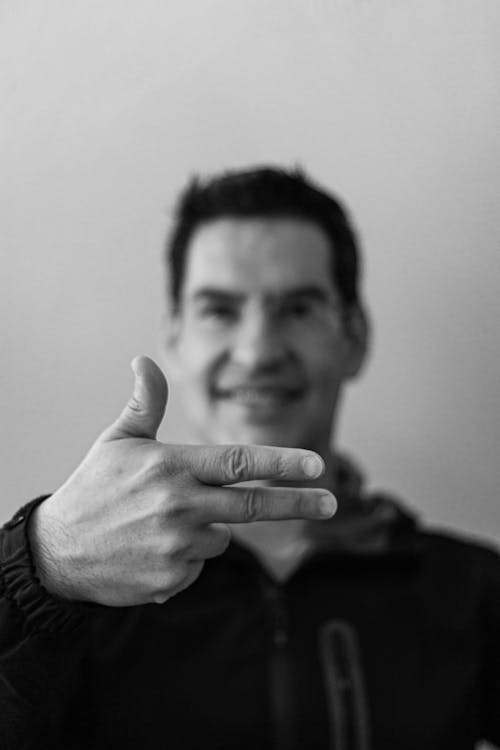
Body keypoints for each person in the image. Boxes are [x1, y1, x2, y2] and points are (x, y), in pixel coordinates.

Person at [0, 166, 499, 750]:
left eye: (299, 308)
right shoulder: (80, 604)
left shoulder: (478, 598)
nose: (258, 352)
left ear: (355, 338)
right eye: (220, 310)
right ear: (174, 340)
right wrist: (42, 566)